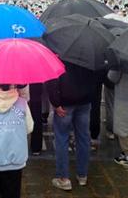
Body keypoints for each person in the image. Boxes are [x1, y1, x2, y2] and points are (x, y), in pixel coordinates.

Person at [46, 62, 96, 191]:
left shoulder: (59, 54)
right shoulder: (89, 54)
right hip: (85, 101)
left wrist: (55, 103)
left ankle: (63, 178)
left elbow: (52, 79)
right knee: (83, 138)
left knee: (62, 139)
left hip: (65, 102)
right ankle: (82, 175)